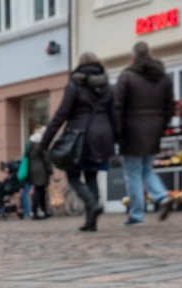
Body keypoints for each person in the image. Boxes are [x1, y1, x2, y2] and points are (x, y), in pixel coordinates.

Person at [41, 52, 119, 232]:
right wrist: (117, 138)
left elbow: (61, 114)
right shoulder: (106, 85)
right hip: (103, 136)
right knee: (92, 175)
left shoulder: (75, 84)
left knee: (73, 176)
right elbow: (114, 116)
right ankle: (91, 220)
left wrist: (45, 142)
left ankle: (92, 206)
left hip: (79, 136)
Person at [116, 42, 176, 226]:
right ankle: (161, 196)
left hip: (131, 131)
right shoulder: (164, 78)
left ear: (133, 57)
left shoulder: (127, 76)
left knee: (133, 173)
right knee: (147, 169)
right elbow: (170, 107)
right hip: (154, 131)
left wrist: (117, 131)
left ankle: (136, 215)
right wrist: (161, 126)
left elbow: (117, 105)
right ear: (150, 54)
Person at [25, 126, 54, 219]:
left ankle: (41, 211)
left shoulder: (30, 143)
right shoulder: (42, 143)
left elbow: (27, 155)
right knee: (39, 191)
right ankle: (36, 212)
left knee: (39, 191)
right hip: (41, 171)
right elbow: (46, 159)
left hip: (32, 169)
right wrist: (50, 171)